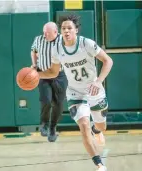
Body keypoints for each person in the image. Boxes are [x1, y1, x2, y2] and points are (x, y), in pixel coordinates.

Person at [35, 15, 113, 171]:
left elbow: (108, 61)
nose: (66, 31)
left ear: (76, 30)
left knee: (101, 126)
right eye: (63, 28)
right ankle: (99, 164)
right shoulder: (57, 50)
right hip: (75, 93)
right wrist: (36, 74)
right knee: (83, 126)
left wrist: (98, 82)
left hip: (94, 89)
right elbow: (52, 72)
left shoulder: (86, 43)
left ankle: (96, 130)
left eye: (69, 28)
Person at [31, 22, 68, 142]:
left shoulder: (62, 40)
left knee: (58, 104)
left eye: (47, 32)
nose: (44, 34)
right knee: (46, 99)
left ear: (55, 32)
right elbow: (34, 51)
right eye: (43, 32)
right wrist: (34, 64)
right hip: (43, 74)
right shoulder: (38, 39)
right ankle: (44, 124)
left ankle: (52, 128)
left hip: (60, 75)